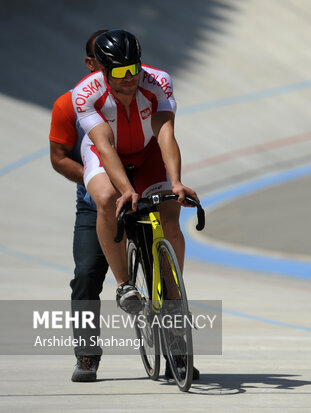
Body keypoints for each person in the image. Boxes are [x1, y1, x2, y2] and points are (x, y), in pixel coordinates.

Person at [71, 29, 199, 380]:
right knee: (107, 198)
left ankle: (174, 298)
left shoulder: (157, 81)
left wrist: (175, 182)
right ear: (103, 70)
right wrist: (127, 189)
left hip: (148, 154)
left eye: (134, 70)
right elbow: (104, 146)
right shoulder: (86, 93)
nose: (129, 80)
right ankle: (125, 284)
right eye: (120, 74)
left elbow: (166, 134)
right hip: (106, 156)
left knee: (170, 212)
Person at [49, 29, 110, 382]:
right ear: (90, 64)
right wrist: (96, 180)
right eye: (107, 64)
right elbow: (59, 158)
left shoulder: (137, 96)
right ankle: (87, 354)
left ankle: (177, 351)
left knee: (166, 274)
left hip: (140, 193)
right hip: (94, 202)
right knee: (86, 275)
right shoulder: (68, 103)